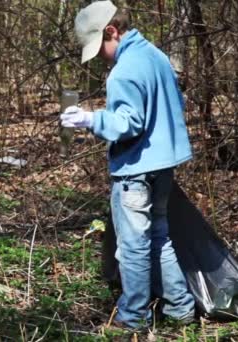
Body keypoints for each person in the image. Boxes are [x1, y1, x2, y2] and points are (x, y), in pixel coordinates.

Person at [61, 0, 195, 330]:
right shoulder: (156, 56)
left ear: (111, 31)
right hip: (164, 163)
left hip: (135, 171)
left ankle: (132, 318)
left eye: (100, 48)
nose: (101, 58)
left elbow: (129, 123)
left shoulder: (124, 71)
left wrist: (90, 119)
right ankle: (181, 309)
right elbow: (175, 103)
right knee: (160, 238)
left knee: (133, 247)